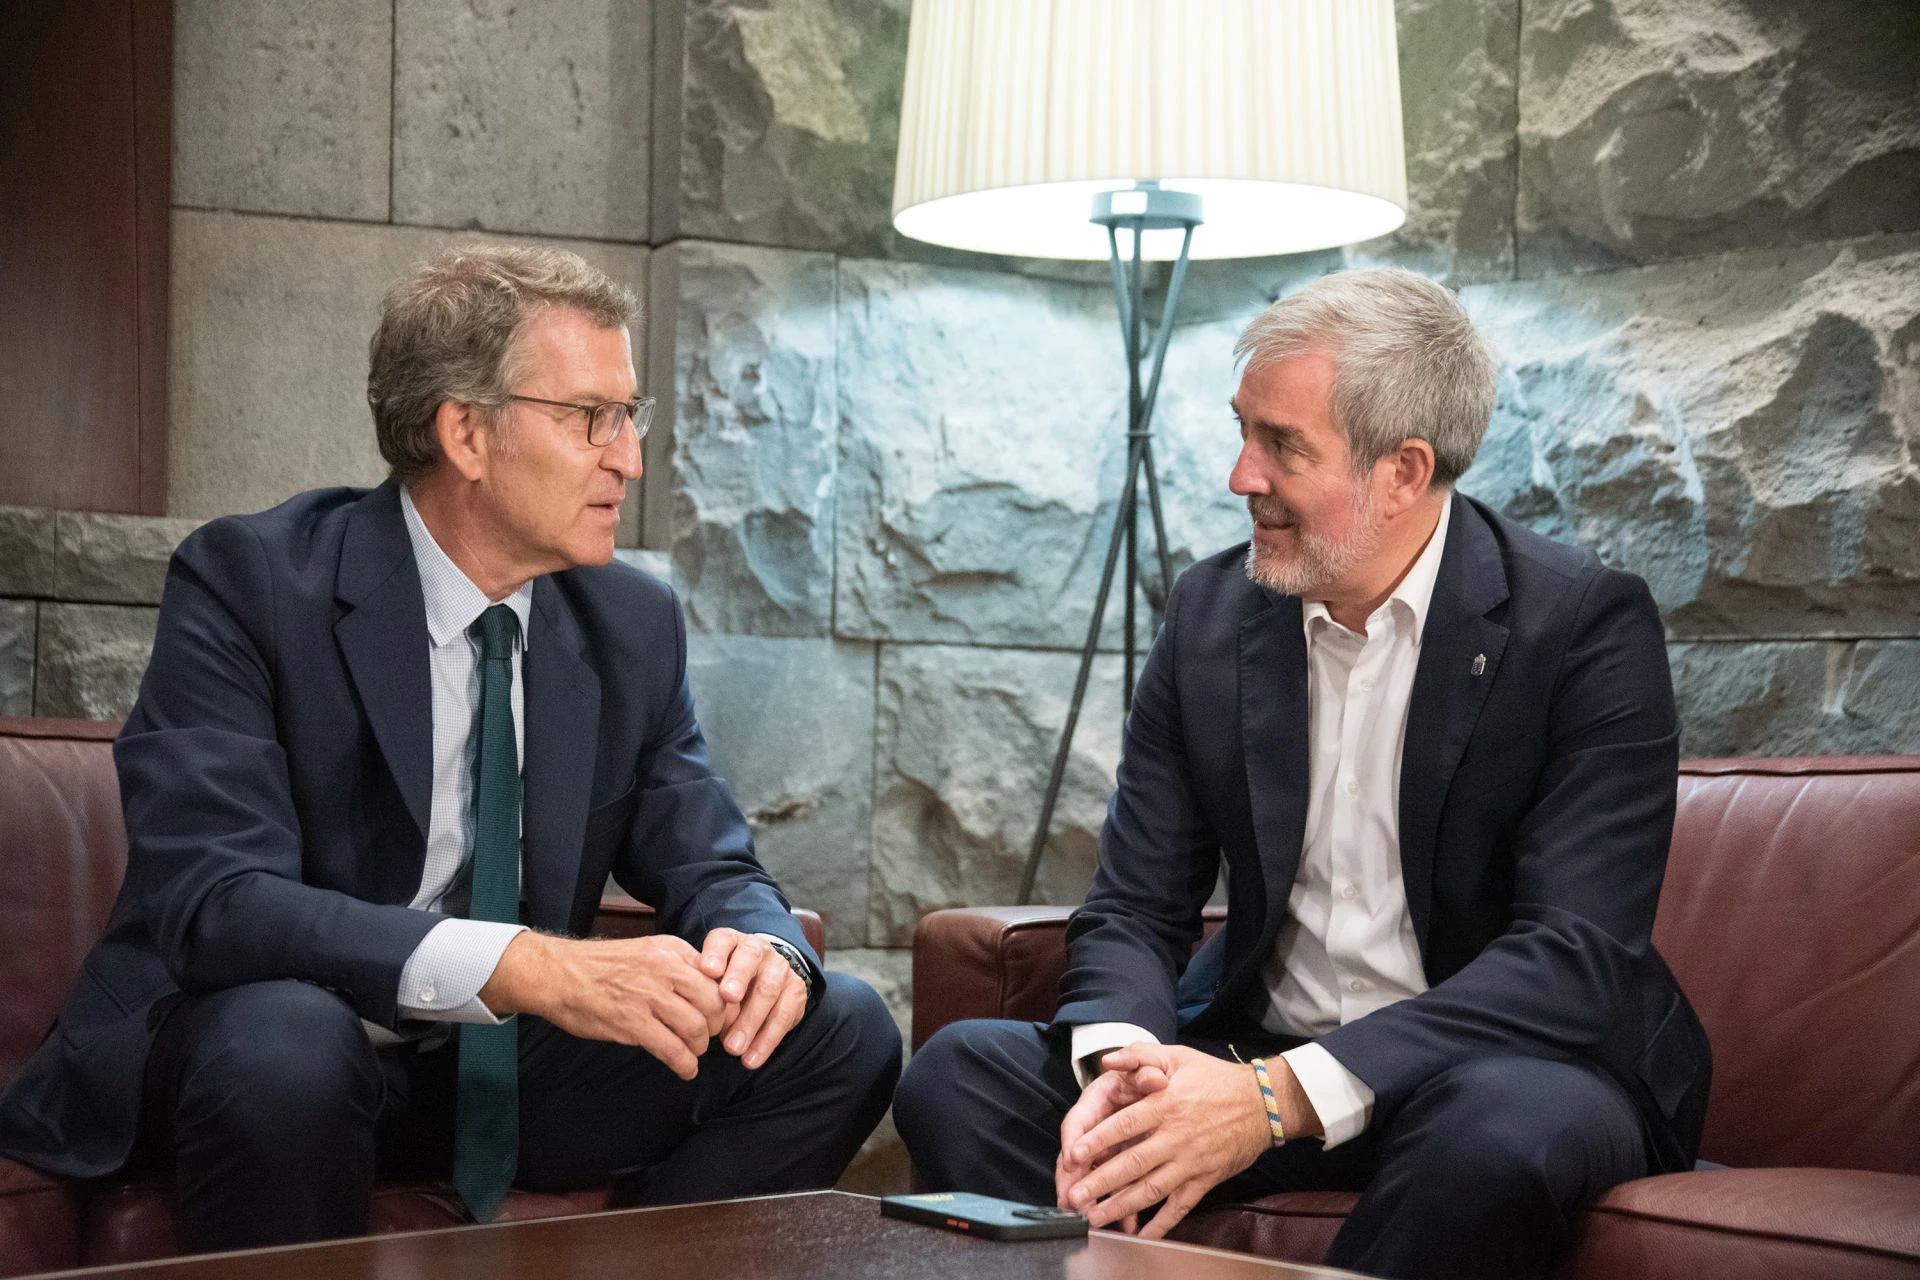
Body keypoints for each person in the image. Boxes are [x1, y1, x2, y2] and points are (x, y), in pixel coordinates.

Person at [0, 244, 901, 1251]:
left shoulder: (629, 625)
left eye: (629, 415)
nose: (629, 458)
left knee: (839, 1028)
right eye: (589, 417)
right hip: (262, 1047)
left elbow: (710, 856)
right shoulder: (251, 582)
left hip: (494, 1067)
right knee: (291, 1042)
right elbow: (218, 903)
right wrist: (526, 966)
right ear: (467, 432)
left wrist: (760, 944)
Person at [894, 267, 1709, 1280]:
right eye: (1245, 429)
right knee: (959, 1073)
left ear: (1403, 471)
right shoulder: (1210, 615)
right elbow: (1136, 906)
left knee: (1500, 1131)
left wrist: (1271, 1098)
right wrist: (1126, 1076)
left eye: (1283, 444)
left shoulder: (1581, 625)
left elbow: (1571, 957)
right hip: (1253, 1046)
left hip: (1498, 1065)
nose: (1242, 474)